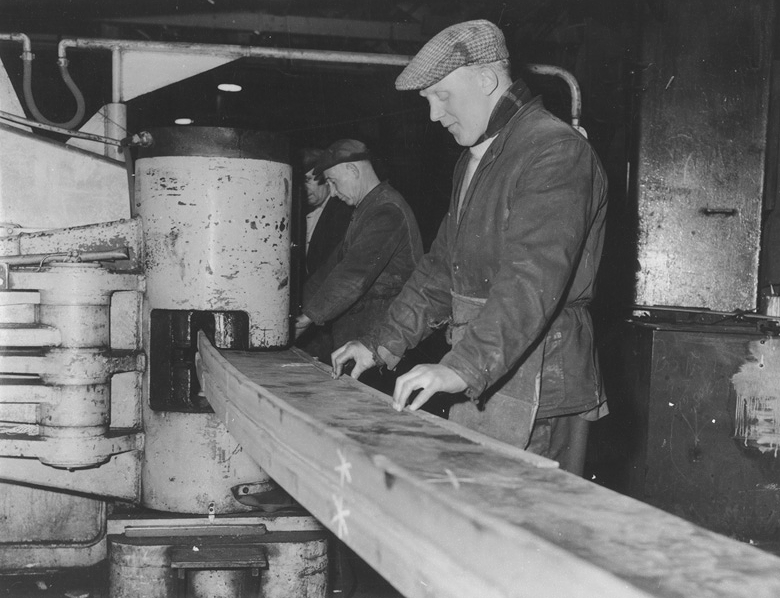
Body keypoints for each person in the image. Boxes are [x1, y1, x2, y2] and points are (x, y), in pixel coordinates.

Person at [332, 20, 609, 476]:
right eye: (427, 101)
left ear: (486, 80)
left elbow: (532, 278)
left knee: (522, 535)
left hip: (540, 380)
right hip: (490, 368)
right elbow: (443, 267)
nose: (434, 115)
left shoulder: (553, 151)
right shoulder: (479, 157)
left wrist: (462, 367)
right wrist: (380, 344)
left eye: (441, 96)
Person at [295, 139, 423, 363]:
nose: (332, 193)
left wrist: (307, 318)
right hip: (361, 335)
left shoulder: (387, 211)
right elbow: (332, 267)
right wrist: (296, 311)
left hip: (380, 341)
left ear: (353, 170)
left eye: (333, 181)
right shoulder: (366, 209)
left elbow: (353, 276)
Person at [295, 148, 354, 363]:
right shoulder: (301, 216)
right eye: (300, 180)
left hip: (330, 323)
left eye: (310, 179)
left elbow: (335, 271)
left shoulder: (341, 213)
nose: (304, 187)